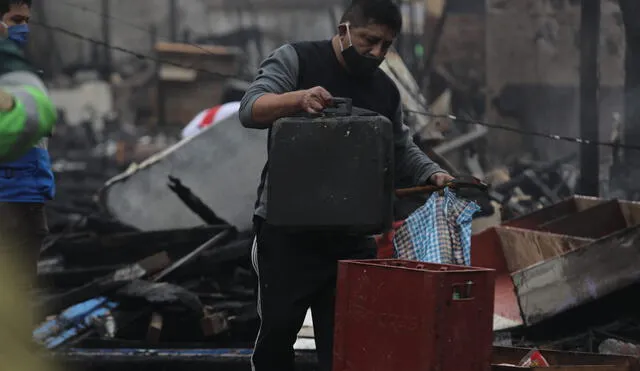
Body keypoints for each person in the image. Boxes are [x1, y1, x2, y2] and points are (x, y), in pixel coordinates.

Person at [239, 1, 454, 370]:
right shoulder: (297, 60)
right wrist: (296, 99)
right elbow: (251, 108)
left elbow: (401, 148)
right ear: (344, 31)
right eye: (370, 40)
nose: (377, 53)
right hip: (287, 236)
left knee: (348, 346)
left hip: (351, 240)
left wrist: (432, 173)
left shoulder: (385, 92)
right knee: (277, 337)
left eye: (386, 46)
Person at [0, 0, 56, 309]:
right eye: (16, 19)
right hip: (7, 201)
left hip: (29, 198)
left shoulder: (20, 74)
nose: (24, 28)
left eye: (26, 20)